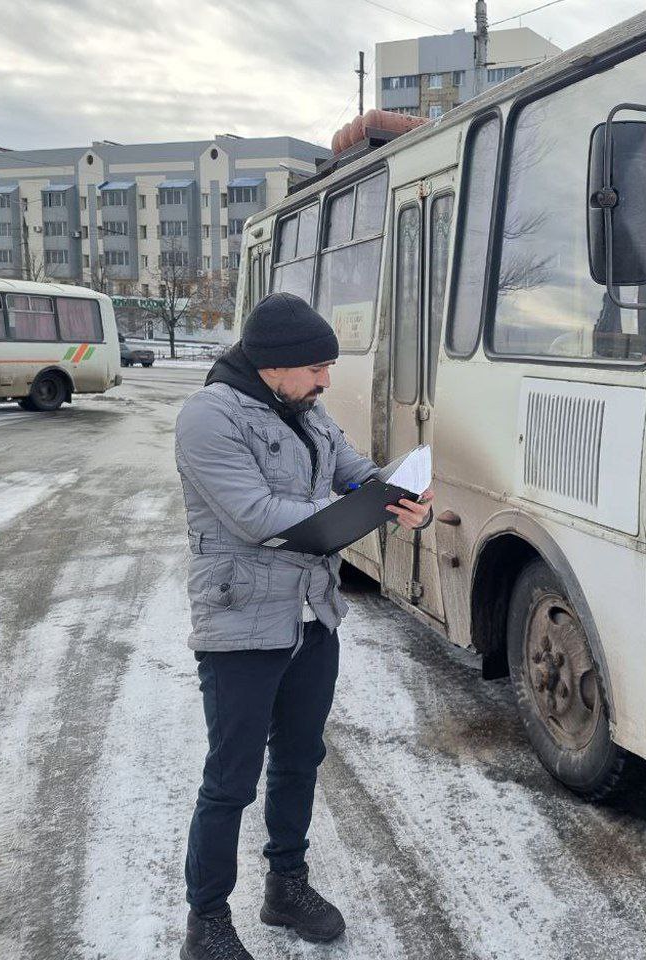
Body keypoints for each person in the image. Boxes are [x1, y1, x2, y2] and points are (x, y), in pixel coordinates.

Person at [173, 292, 433, 960]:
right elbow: (258, 516)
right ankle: (205, 922)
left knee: (299, 759)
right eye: (315, 366)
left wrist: (402, 499)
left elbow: (356, 473)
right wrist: (351, 509)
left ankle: (286, 885)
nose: (325, 380)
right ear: (274, 363)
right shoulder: (209, 417)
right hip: (242, 621)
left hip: (313, 615)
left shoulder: (308, 413)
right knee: (230, 777)